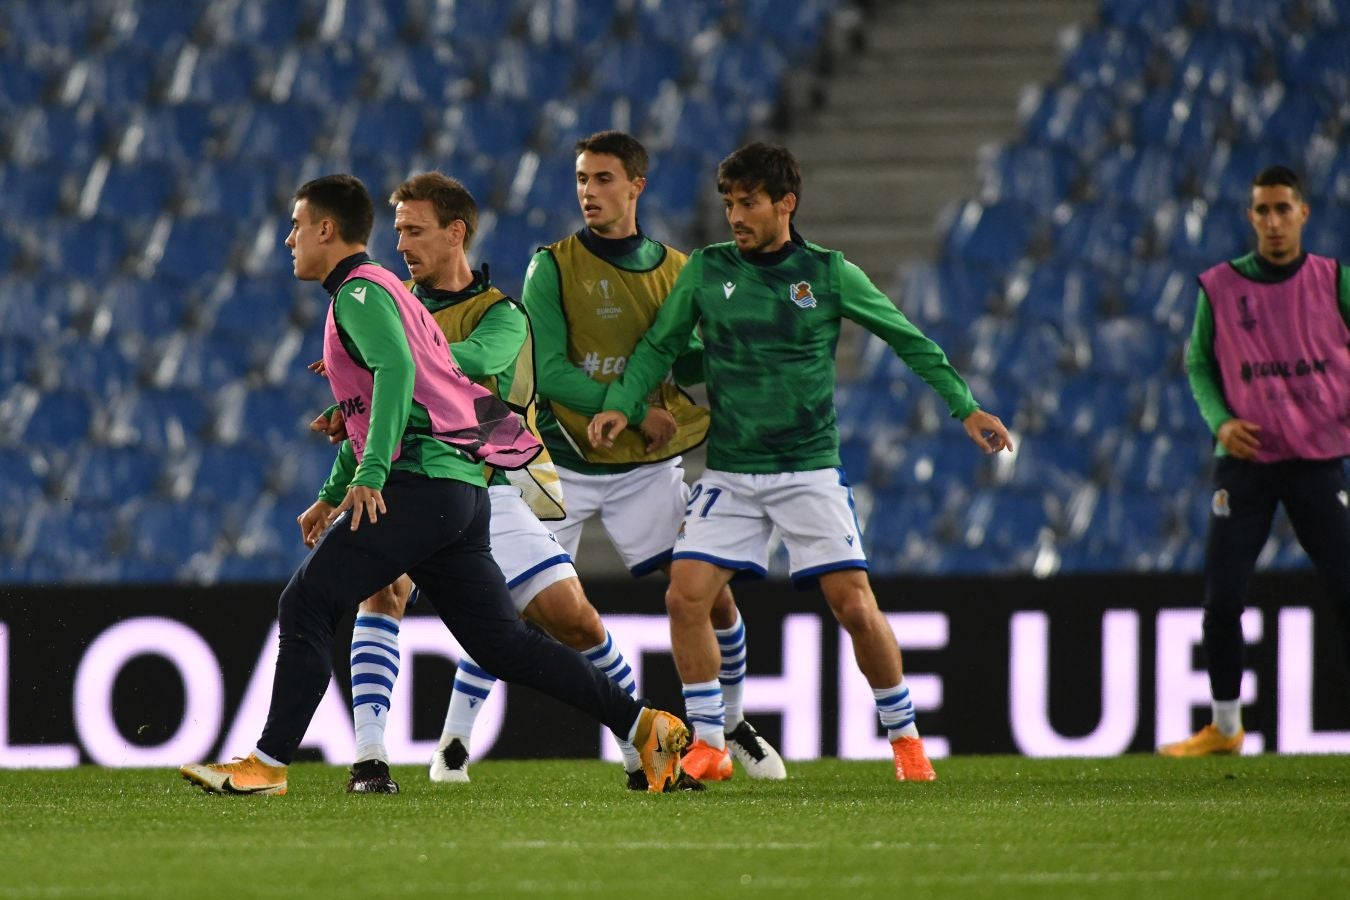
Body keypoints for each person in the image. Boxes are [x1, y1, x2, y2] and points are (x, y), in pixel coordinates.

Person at [179, 174, 690, 796]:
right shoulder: (391, 291)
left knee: (307, 603)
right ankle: (645, 727)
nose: (287, 241)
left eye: (295, 226)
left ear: (325, 230)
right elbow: (374, 404)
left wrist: (367, 477)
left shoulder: (363, 295)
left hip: (421, 484)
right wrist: (334, 489)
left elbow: (395, 373)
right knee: (503, 645)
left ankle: (267, 763)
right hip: (459, 494)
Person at [588, 142, 1014, 782]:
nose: (736, 215)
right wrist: (622, 403)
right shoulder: (706, 271)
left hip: (808, 472)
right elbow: (658, 347)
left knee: (854, 607)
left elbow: (909, 340)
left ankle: (905, 740)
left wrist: (967, 408)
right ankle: (708, 740)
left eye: (749, 203)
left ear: (785, 203)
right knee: (684, 598)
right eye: (729, 203)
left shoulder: (830, 273)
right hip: (730, 473)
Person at [522, 130, 785, 782]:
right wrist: (636, 406)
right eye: (582, 179)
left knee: (709, 598)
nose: (589, 191)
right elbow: (546, 372)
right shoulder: (550, 265)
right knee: (540, 612)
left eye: (603, 178)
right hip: (565, 465)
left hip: (647, 469)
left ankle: (730, 719)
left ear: (636, 185)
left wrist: (740, 358)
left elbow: (687, 357)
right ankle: (631, 727)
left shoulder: (677, 268)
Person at [1161, 165, 1350, 757]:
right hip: (1245, 462)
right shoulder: (1219, 287)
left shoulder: (1334, 282)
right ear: (1251, 217)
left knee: (1347, 591)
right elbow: (1197, 363)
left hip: (1318, 459)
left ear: (1303, 214)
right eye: (1262, 210)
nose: (1272, 221)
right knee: (1222, 598)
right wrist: (1220, 420)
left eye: (1282, 209)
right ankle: (1225, 725)